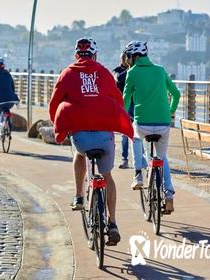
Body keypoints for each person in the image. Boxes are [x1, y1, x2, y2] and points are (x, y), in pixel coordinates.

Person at [49, 38, 133, 245]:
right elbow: (118, 99)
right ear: (94, 55)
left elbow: (54, 103)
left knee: (79, 153)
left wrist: (58, 124)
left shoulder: (67, 73)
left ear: (76, 55)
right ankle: (112, 223)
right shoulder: (104, 72)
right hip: (104, 137)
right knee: (108, 177)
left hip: (81, 138)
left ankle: (78, 196)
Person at [123, 41, 180, 213]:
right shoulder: (160, 70)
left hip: (142, 124)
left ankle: (138, 174)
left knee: (134, 137)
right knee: (162, 157)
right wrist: (170, 112)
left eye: (129, 57)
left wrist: (123, 118)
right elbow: (176, 94)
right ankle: (169, 194)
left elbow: (125, 100)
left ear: (134, 57)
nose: (128, 60)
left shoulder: (132, 72)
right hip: (163, 124)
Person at [0, 57, 19, 147]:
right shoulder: (9, 75)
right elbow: (13, 88)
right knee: (7, 110)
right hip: (11, 100)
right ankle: (8, 129)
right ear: (4, 65)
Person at [112, 51, 135, 169]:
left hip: (135, 103)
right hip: (124, 105)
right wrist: (131, 68)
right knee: (125, 134)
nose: (126, 59)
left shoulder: (135, 71)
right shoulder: (117, 70)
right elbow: (119, 79)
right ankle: (125, 159)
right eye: (124, 58)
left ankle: (142, 159)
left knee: (139, 133)